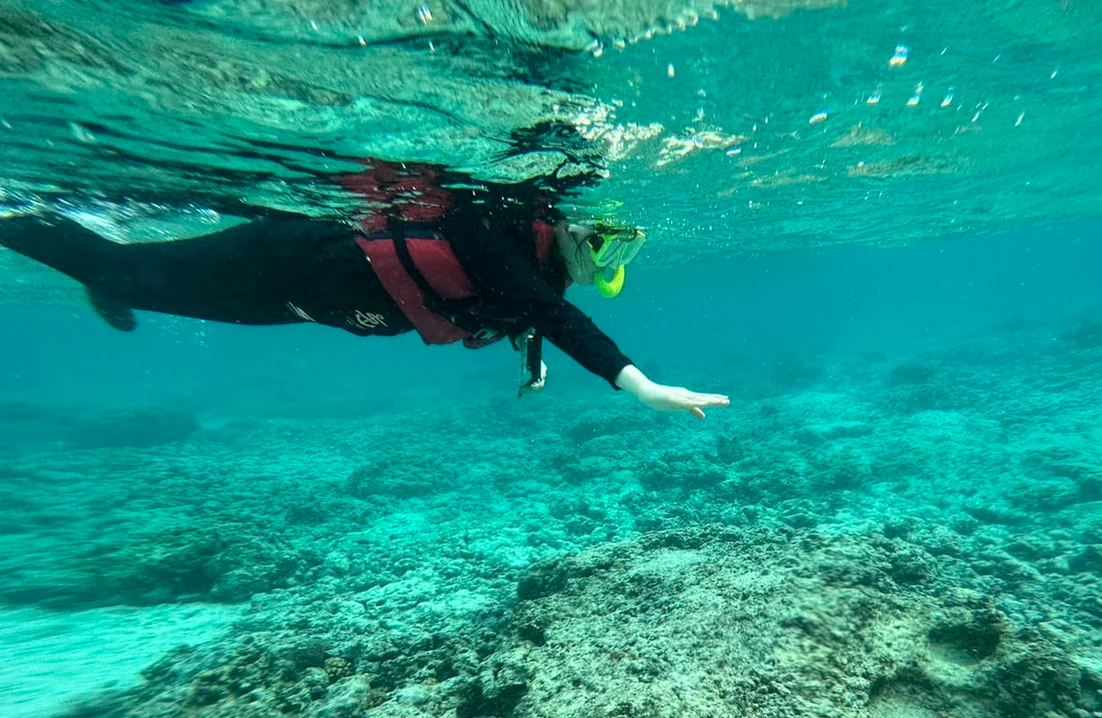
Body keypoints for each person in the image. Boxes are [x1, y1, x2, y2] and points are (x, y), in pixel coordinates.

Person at [0, 162, 730, 418]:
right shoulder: (492, 225)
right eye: (600, 239)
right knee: (123, 270)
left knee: (146, 287)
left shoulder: (531, 267)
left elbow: (524, 307)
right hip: (290, 260)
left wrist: (530, 360)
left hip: (300, 303)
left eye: (619, 249)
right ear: (564, 222)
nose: (601, 260)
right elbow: (538, 304)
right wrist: (641, 386)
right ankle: (18, 216)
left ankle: (105, 274)